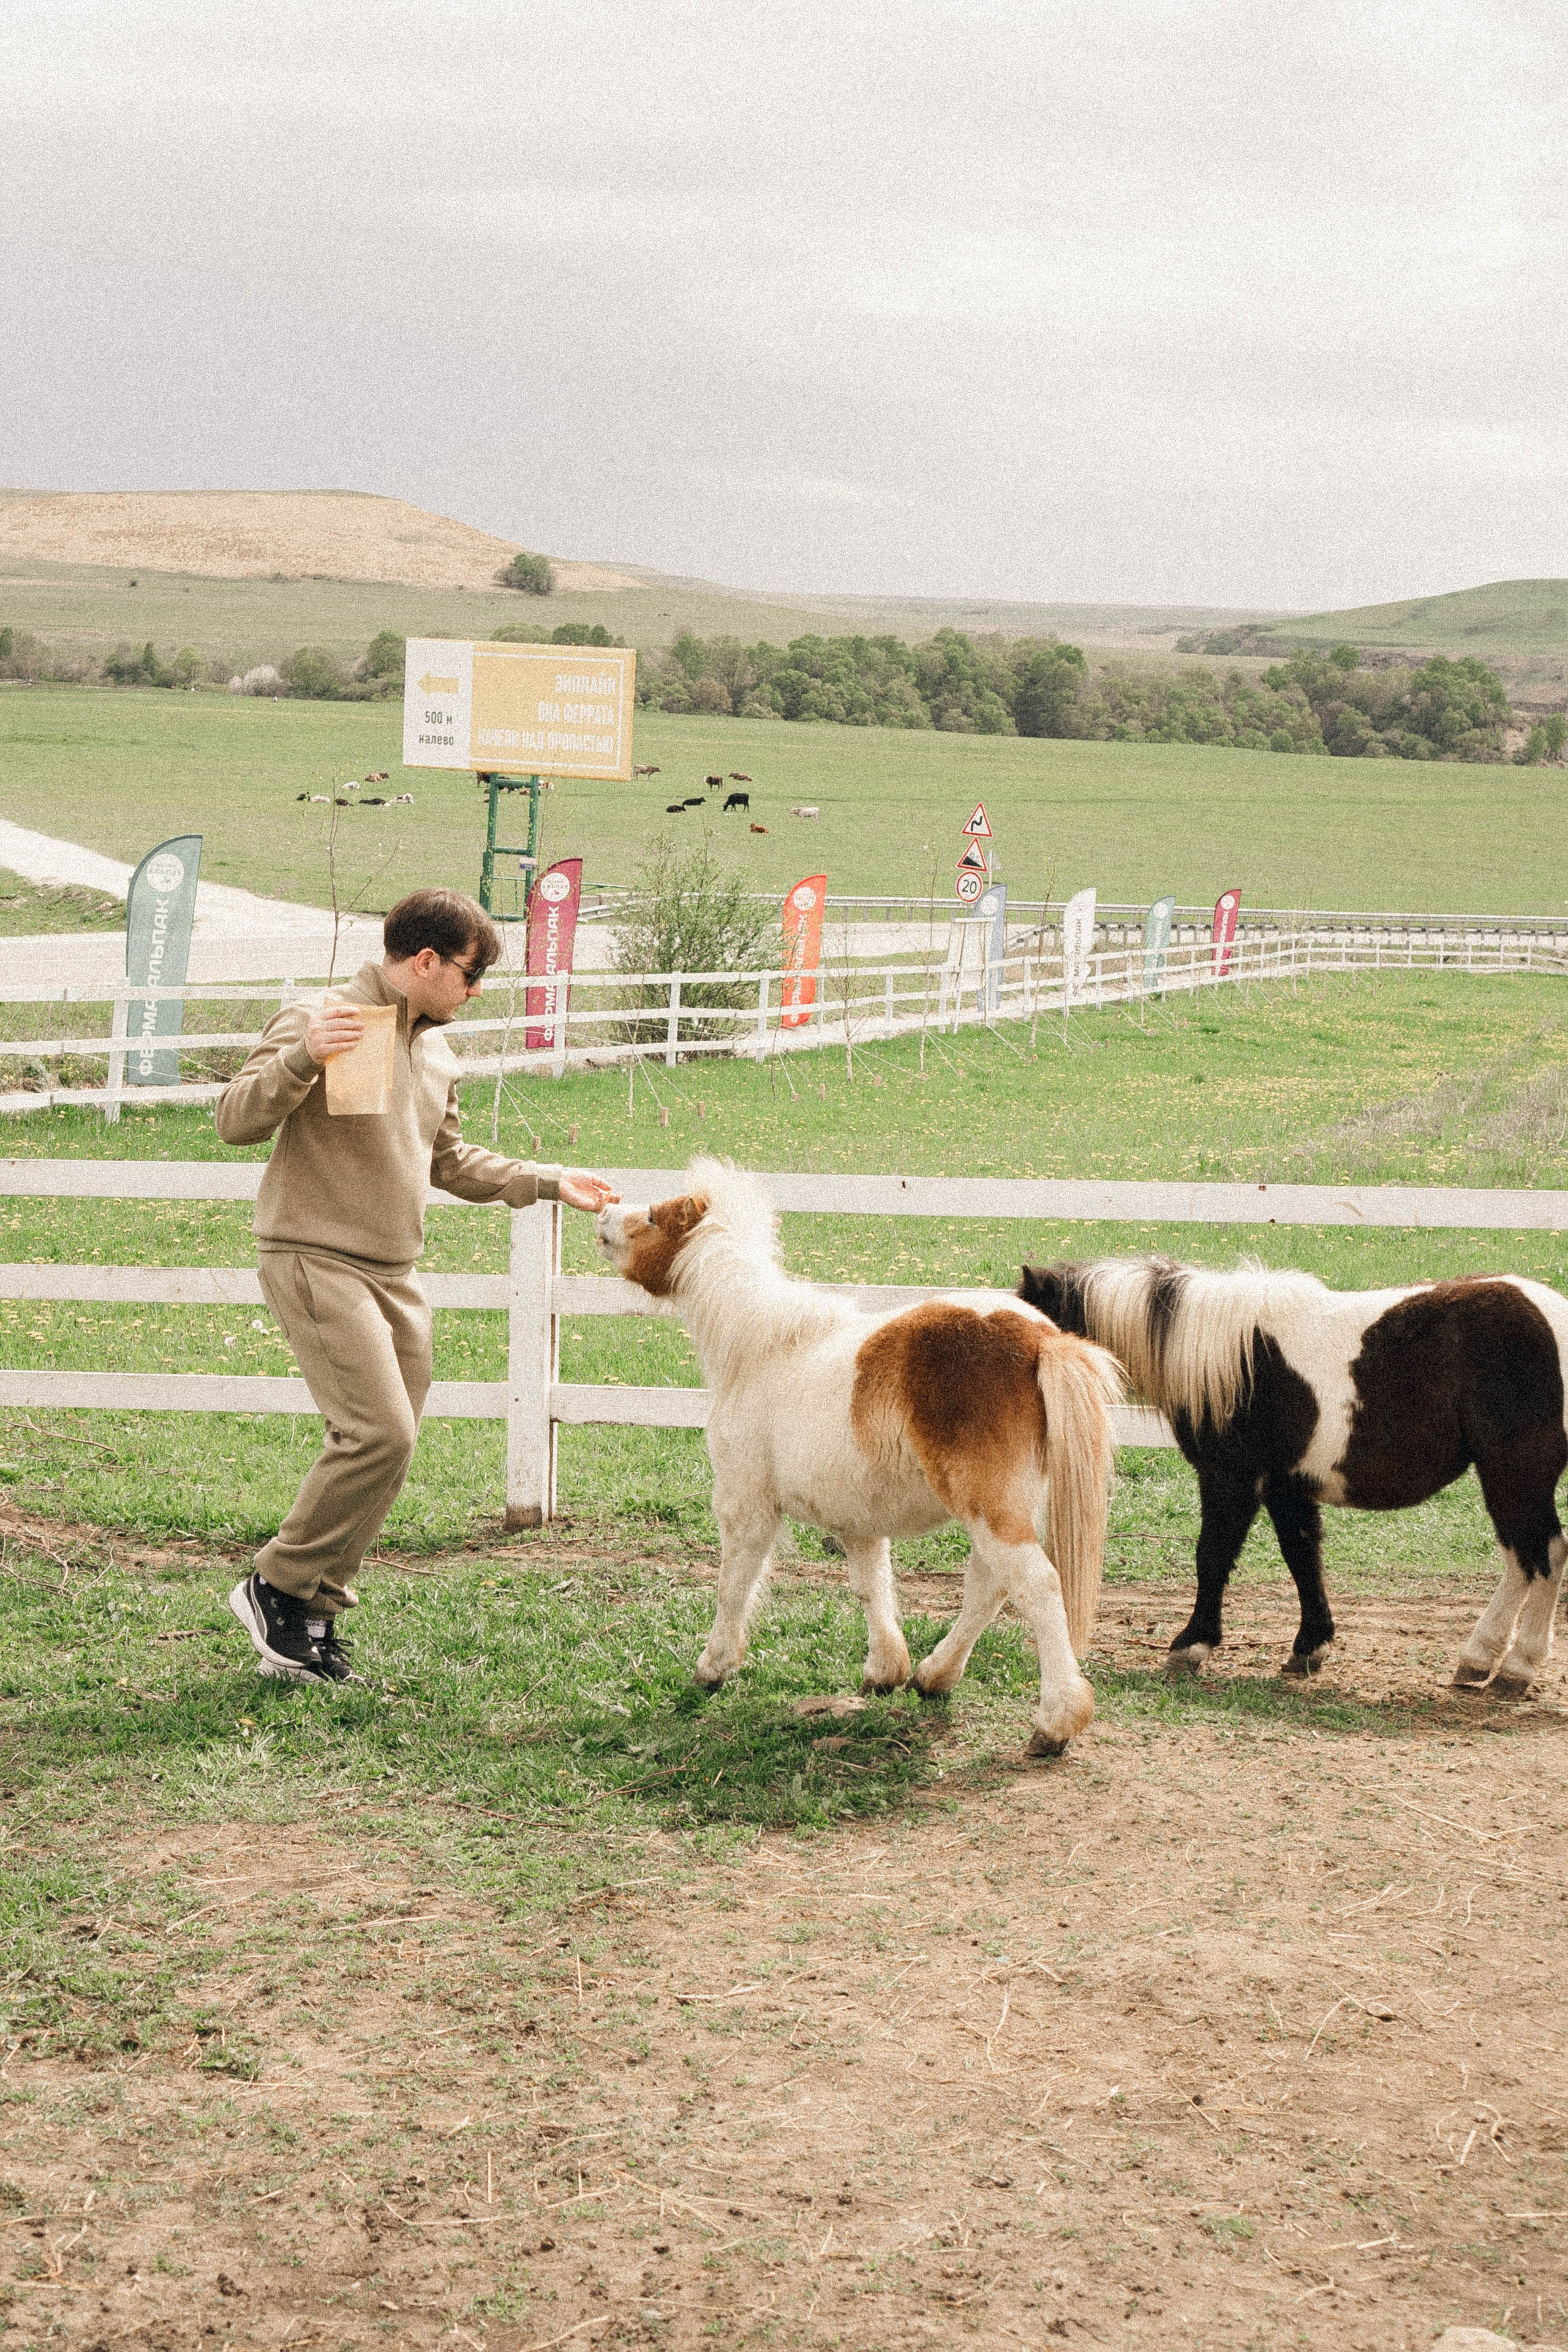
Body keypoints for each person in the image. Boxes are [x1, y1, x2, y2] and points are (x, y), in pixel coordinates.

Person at [215, 887, 616, 1684]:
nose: (476, 993)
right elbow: (235, 1120)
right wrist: (302, 1060)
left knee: (386, 1450)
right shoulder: (332, 1022)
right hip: (315, 1257)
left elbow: (448, 1162)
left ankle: (311, 1615)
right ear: (426, 961)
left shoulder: (432, 1050)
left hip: (392, 1274)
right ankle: (274, 1586)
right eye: (472, 976)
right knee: (378, 1434)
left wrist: (547, 1180)